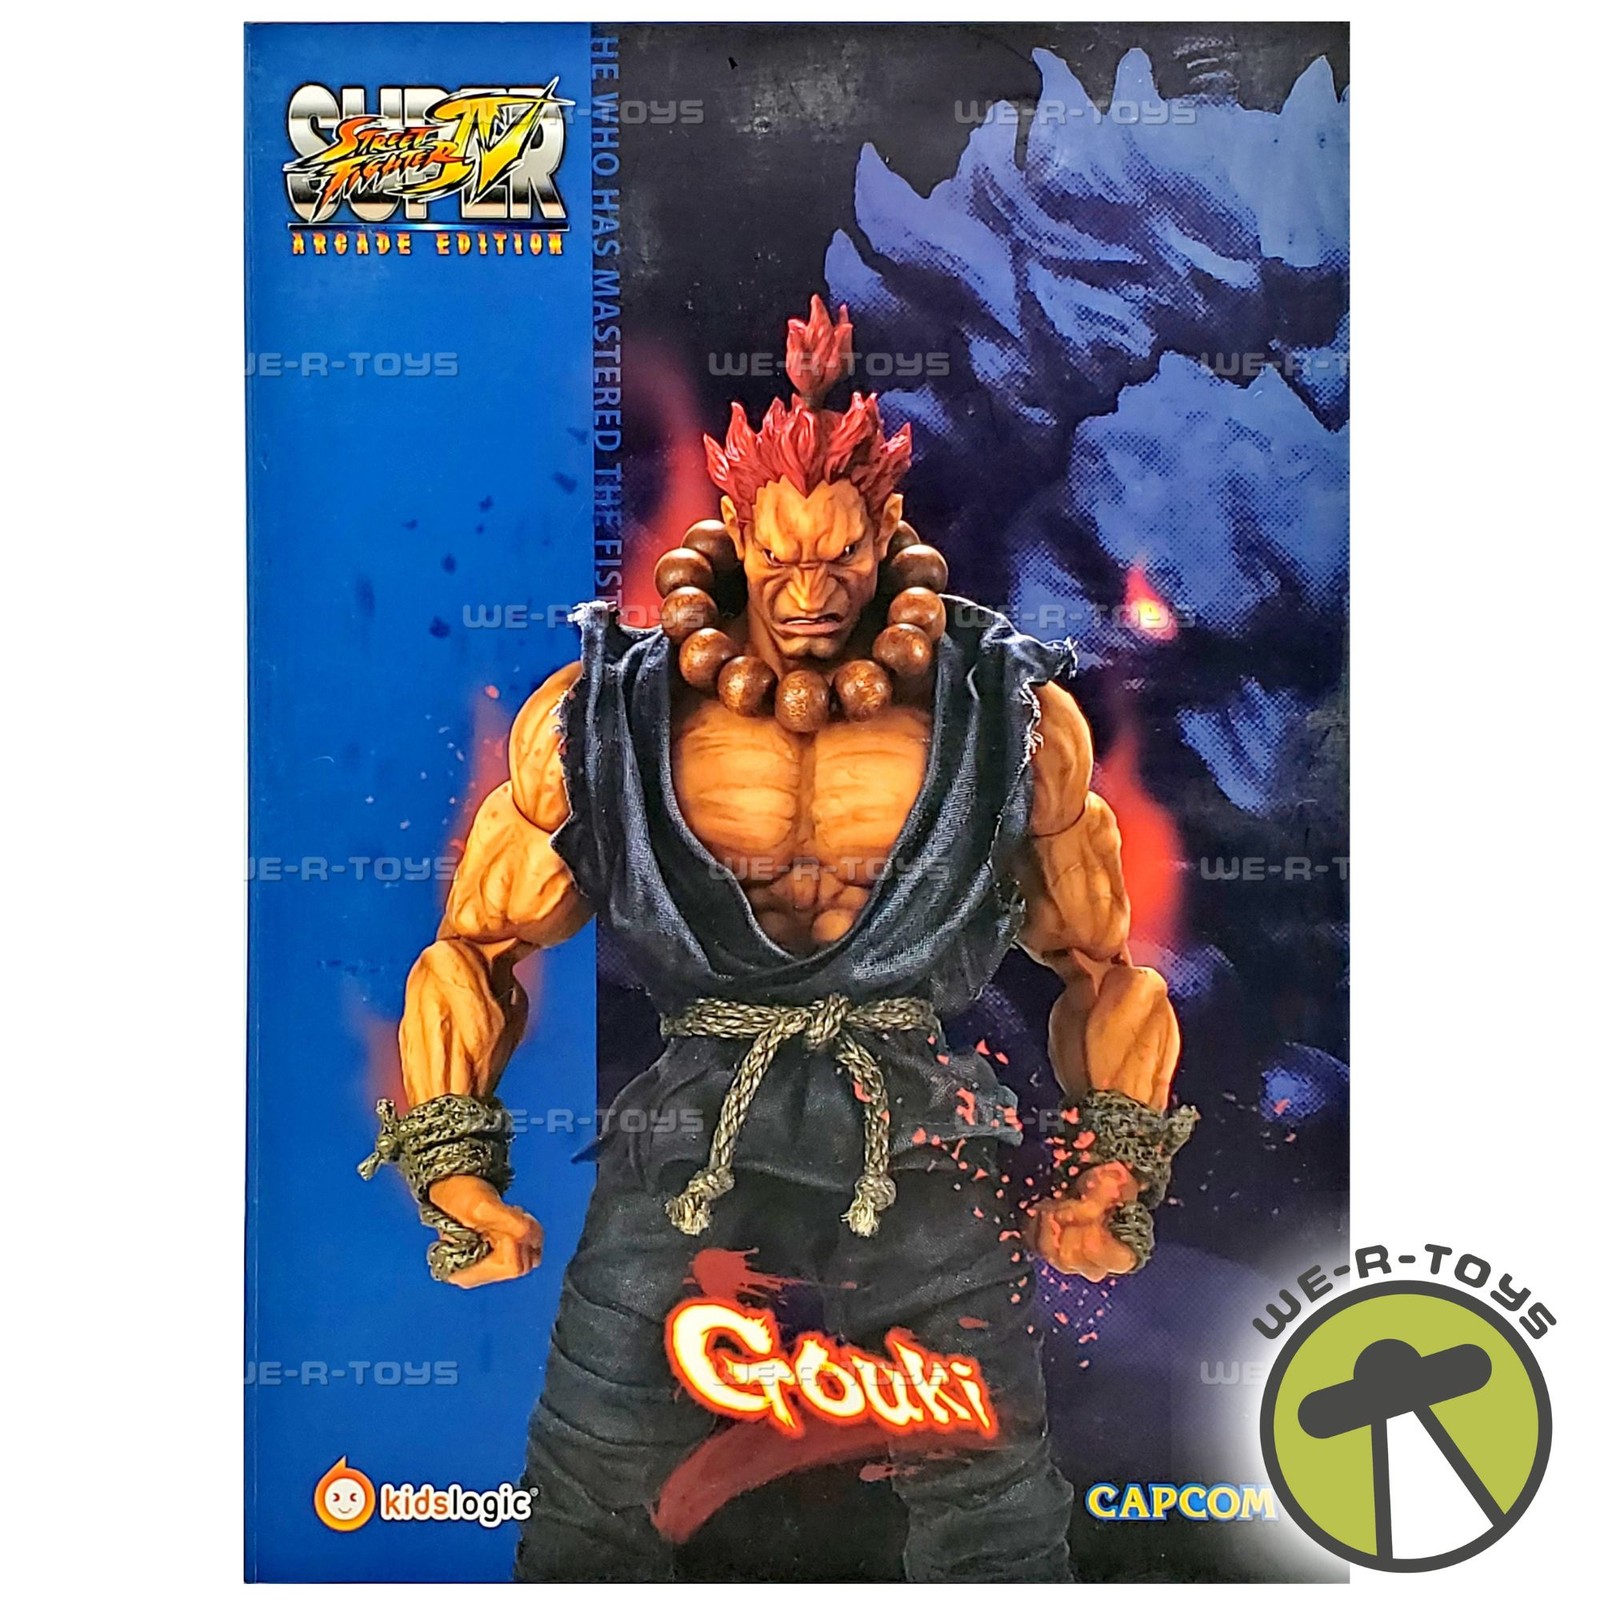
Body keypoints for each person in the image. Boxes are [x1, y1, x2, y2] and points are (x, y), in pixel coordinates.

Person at [362, 297, 1195, 1580]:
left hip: (921, 1127)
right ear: (739, 538)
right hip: (688, 1130)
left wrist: (1111, 1171)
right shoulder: (603, 714)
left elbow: (1101, 968)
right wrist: (457, 1174)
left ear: (885, 538)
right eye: (782, 560)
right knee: (590, 1482)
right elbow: (474, 949)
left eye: (840, 560)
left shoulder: (1004, 712)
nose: (808, 594)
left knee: (993, 1502)